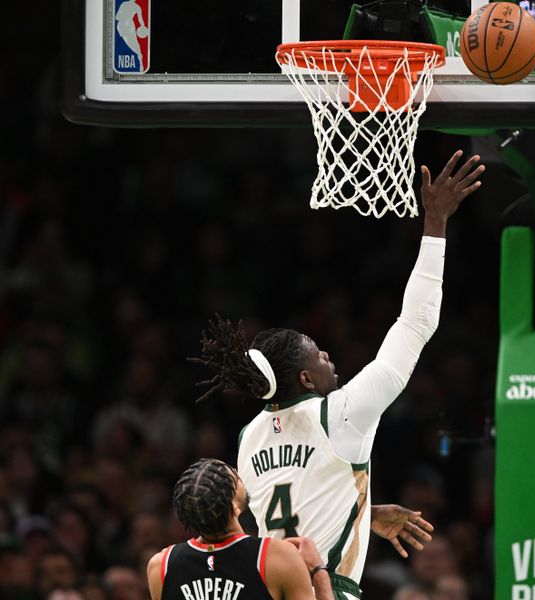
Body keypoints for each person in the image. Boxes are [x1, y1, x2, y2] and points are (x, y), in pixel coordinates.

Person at [191, 150, 484, 598]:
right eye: (319, 355)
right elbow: (416, 323)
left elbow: (291, 512)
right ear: (305, 380)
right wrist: (436, 222)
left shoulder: (249, 436)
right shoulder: (340, 413)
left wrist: (363, 512)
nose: (330, 359)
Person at [146, 458, 334, 600]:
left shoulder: (161, 567)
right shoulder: (277, 556)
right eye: (235, 478)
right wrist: (318, 570)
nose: (238, 473)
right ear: (234, 508)